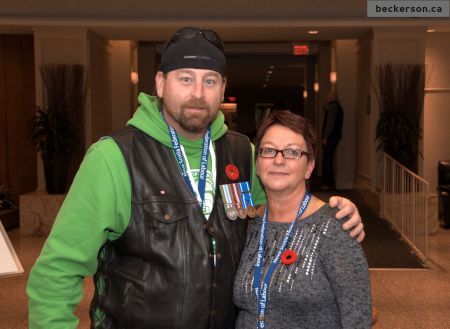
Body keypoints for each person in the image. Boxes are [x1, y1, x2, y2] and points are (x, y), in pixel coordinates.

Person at [27, 27, 364, 329]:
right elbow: (58, 270)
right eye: (185, 78)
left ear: (222, 89)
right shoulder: (114, 158)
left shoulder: (241, 152)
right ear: (161, 84)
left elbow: (281, 211)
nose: (198, 93)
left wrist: (334, 212)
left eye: (210, 80)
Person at [234, 111, 372, 329]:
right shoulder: (249, 224)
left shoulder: (334, 227)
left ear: (309, 167)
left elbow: (357, 316)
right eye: (268, 150)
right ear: (257, 164)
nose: (278, 160)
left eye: (292, 152)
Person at [321, 90, 344, 190]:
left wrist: (325, 137)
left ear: (332, 97)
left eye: (328, 96)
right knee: (328, 159)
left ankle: (328, 183)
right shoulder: (337, 107)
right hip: (334, 137)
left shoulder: (333, 107)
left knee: (327, 160)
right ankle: (329, 182)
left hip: (331, 138)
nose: (327, 98)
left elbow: (330, 124)